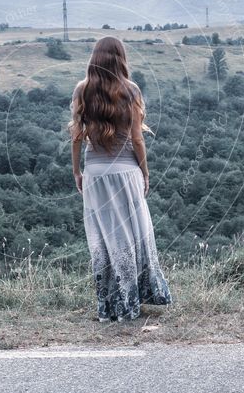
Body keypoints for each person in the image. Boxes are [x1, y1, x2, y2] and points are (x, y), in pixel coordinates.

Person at [68, 36, 173, 322]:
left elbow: (76, 136)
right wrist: (145, 173)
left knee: (102, 239)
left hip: (95, 174)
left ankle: (109, 305)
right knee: (132, 235)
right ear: (121, 58)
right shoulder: (130, 90)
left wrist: (77, 172)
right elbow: (137, 140)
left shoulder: (82, 89)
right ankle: (132, 300)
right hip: (126, 172)